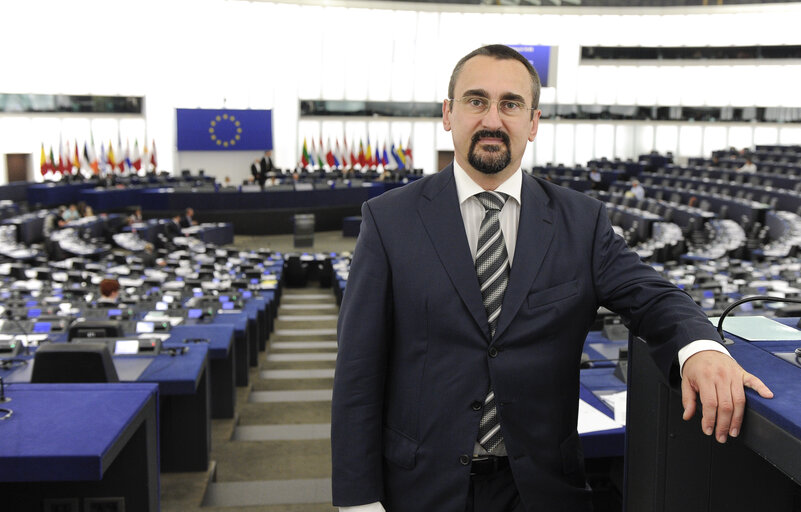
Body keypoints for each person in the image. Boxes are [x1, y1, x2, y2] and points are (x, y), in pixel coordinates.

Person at [331, 44, 773, 512]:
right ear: (448, 113)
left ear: (534, 122)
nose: (492, 120)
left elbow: (654, 297)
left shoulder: (582, 223)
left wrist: (699, 348)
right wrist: (359, 500)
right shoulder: (388, 219)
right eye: (476, 101)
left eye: (510, 104)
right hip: (419, 491)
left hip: (542, 491)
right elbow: (358, 371)